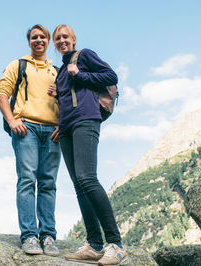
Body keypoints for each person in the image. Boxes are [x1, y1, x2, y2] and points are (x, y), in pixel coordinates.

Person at [50, 24, 127, 265]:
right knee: (78, 186)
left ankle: (116, 244)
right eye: (58, 38)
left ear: (73, 40)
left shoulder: (83, 56)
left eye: (65, 37)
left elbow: (110, 76)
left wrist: (78, 74)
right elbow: (69, 96)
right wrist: (58, 92)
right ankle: (94, 245)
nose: (62, 40)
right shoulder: (61, 71)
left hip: (86, 120)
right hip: (66, 128)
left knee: (87, 178)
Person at [0, 24, 61, 256]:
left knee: (48, 183)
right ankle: (30, 236)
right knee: (27, 180)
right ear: (29, 42)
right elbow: (2, 93)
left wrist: (61, 124)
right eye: (34, 37)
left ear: (48, 41)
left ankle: (48, 236)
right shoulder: (18, 65)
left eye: (43, 37)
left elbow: (66, 101)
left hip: (53, 132)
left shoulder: (57, 71)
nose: (39, 40)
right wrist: (12, 120)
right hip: (27, 129)